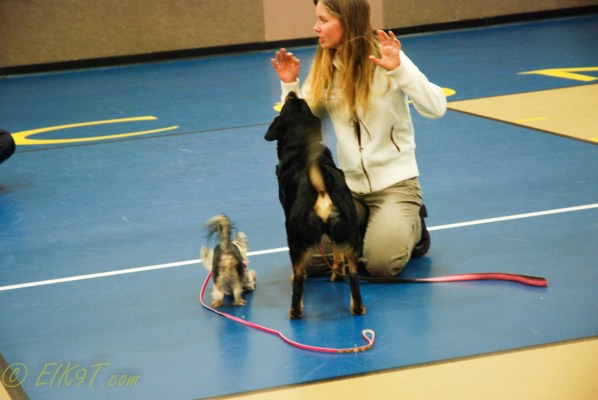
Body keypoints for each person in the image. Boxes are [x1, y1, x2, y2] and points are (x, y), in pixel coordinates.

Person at [271, 0, 447, 277]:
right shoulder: (324, 68)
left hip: (396, 185)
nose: (316, 27)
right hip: (349, 189)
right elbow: (299, 131)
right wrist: (289, 86)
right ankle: (371, 228)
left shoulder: (387, 57)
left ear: (348, 21)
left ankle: (414, 227)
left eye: (323, 20)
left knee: (381, 264)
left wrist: (400, 70)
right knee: (312, 259)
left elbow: (436, 107)